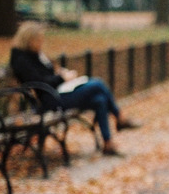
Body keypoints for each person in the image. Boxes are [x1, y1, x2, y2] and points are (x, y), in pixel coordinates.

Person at [9, 23, 139, 156]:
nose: (41, 43)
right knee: (98, 84)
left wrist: (61, 73)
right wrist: (62, 78)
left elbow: (47, 75)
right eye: (38, 40)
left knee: (100, 100)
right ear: (29, 39)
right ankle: (120, 117)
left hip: (58, 93)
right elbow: (39, 82)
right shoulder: (21, 59)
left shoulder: (34, 55)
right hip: (49, 100)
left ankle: (108, 144)